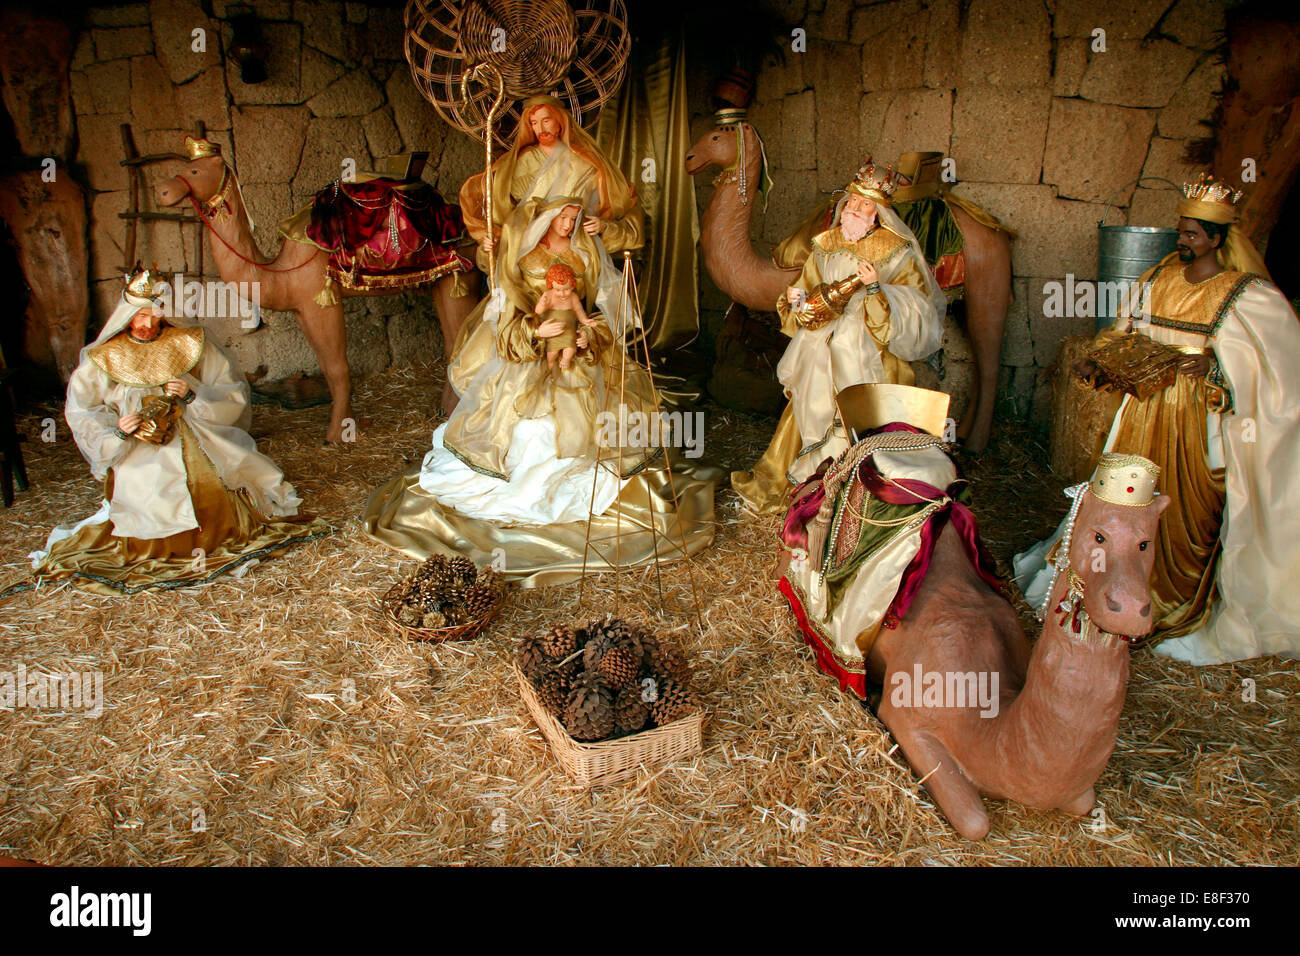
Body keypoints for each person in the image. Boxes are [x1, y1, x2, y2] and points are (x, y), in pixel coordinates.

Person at [1015, 173, 1300, 664]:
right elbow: (1124, 337)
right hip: (1141, 414)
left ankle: (1172, 598)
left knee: (1191, 511)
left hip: (1195, 422)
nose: (1181, 240)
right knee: (1123, 502)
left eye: (1192, 233)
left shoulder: (1244, 294)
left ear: (1217, 239)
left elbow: (1279, 367)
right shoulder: (1157, 279)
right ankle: (1106, 588)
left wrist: (1214, 368)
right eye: (1181, 230)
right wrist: (1099, 363)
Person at [361, 198, 717, 583]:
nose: (568, 225)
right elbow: (509, 319)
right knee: (526, 423)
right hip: (532, 352)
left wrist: (588, 335)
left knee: (590, 416)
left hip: (576, 353)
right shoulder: (525, 261)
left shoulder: (584, 257)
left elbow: (595, 315)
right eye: (562, 218)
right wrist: (536, 329)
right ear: (546, 220)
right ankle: (517, 485)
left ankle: (582, 482)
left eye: (573, 219)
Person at [23, 267, 330, 595]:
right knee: (148, 492)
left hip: (191, 433)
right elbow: (83, 410)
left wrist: (193, 394)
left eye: (154, 316)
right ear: (126, 317)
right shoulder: (105, 357)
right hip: (138, 446)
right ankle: (158, 545)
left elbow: (231, 391)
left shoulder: (189, 343)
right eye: (139, 316)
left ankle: (211, 535)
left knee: (212, 483)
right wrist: (117, 432)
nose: (147, 324)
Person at [732, 160, 947, 513]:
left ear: (878, 213)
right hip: (820, 343)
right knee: (810, 402)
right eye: (851, 201)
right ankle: (807, 482)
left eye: (864, 205)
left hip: (869, 348)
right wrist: (796, 299)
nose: (854, 209)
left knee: (862, 411)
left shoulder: (895, 250)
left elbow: (915, 302)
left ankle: (859, 489)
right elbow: (805, 288)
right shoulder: (825, 243)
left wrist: (875, 289)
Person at [459, 94, 644, 264]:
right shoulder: (519, 162)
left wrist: (602, 225)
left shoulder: (584, 162)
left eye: (546, 121)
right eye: (534, 123)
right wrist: (496, 239)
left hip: (574, 247)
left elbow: (617, 203)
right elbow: (506, 213)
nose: (541, 129)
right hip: (529, 249)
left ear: (559, 122)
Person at [534, 262, 599, 371]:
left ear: (573, 285)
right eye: (558, 290)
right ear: (551, 286)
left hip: (568, 328)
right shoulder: (548, 295)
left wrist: (585, 320)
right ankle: (549, 367)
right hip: (553, 329)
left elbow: (579, 311)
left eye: (567, 289)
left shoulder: (573, 297)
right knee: (552, 353)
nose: (562, 294)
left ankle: (566, 360)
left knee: (570, 346)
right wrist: (542, 304)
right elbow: (538, 312)